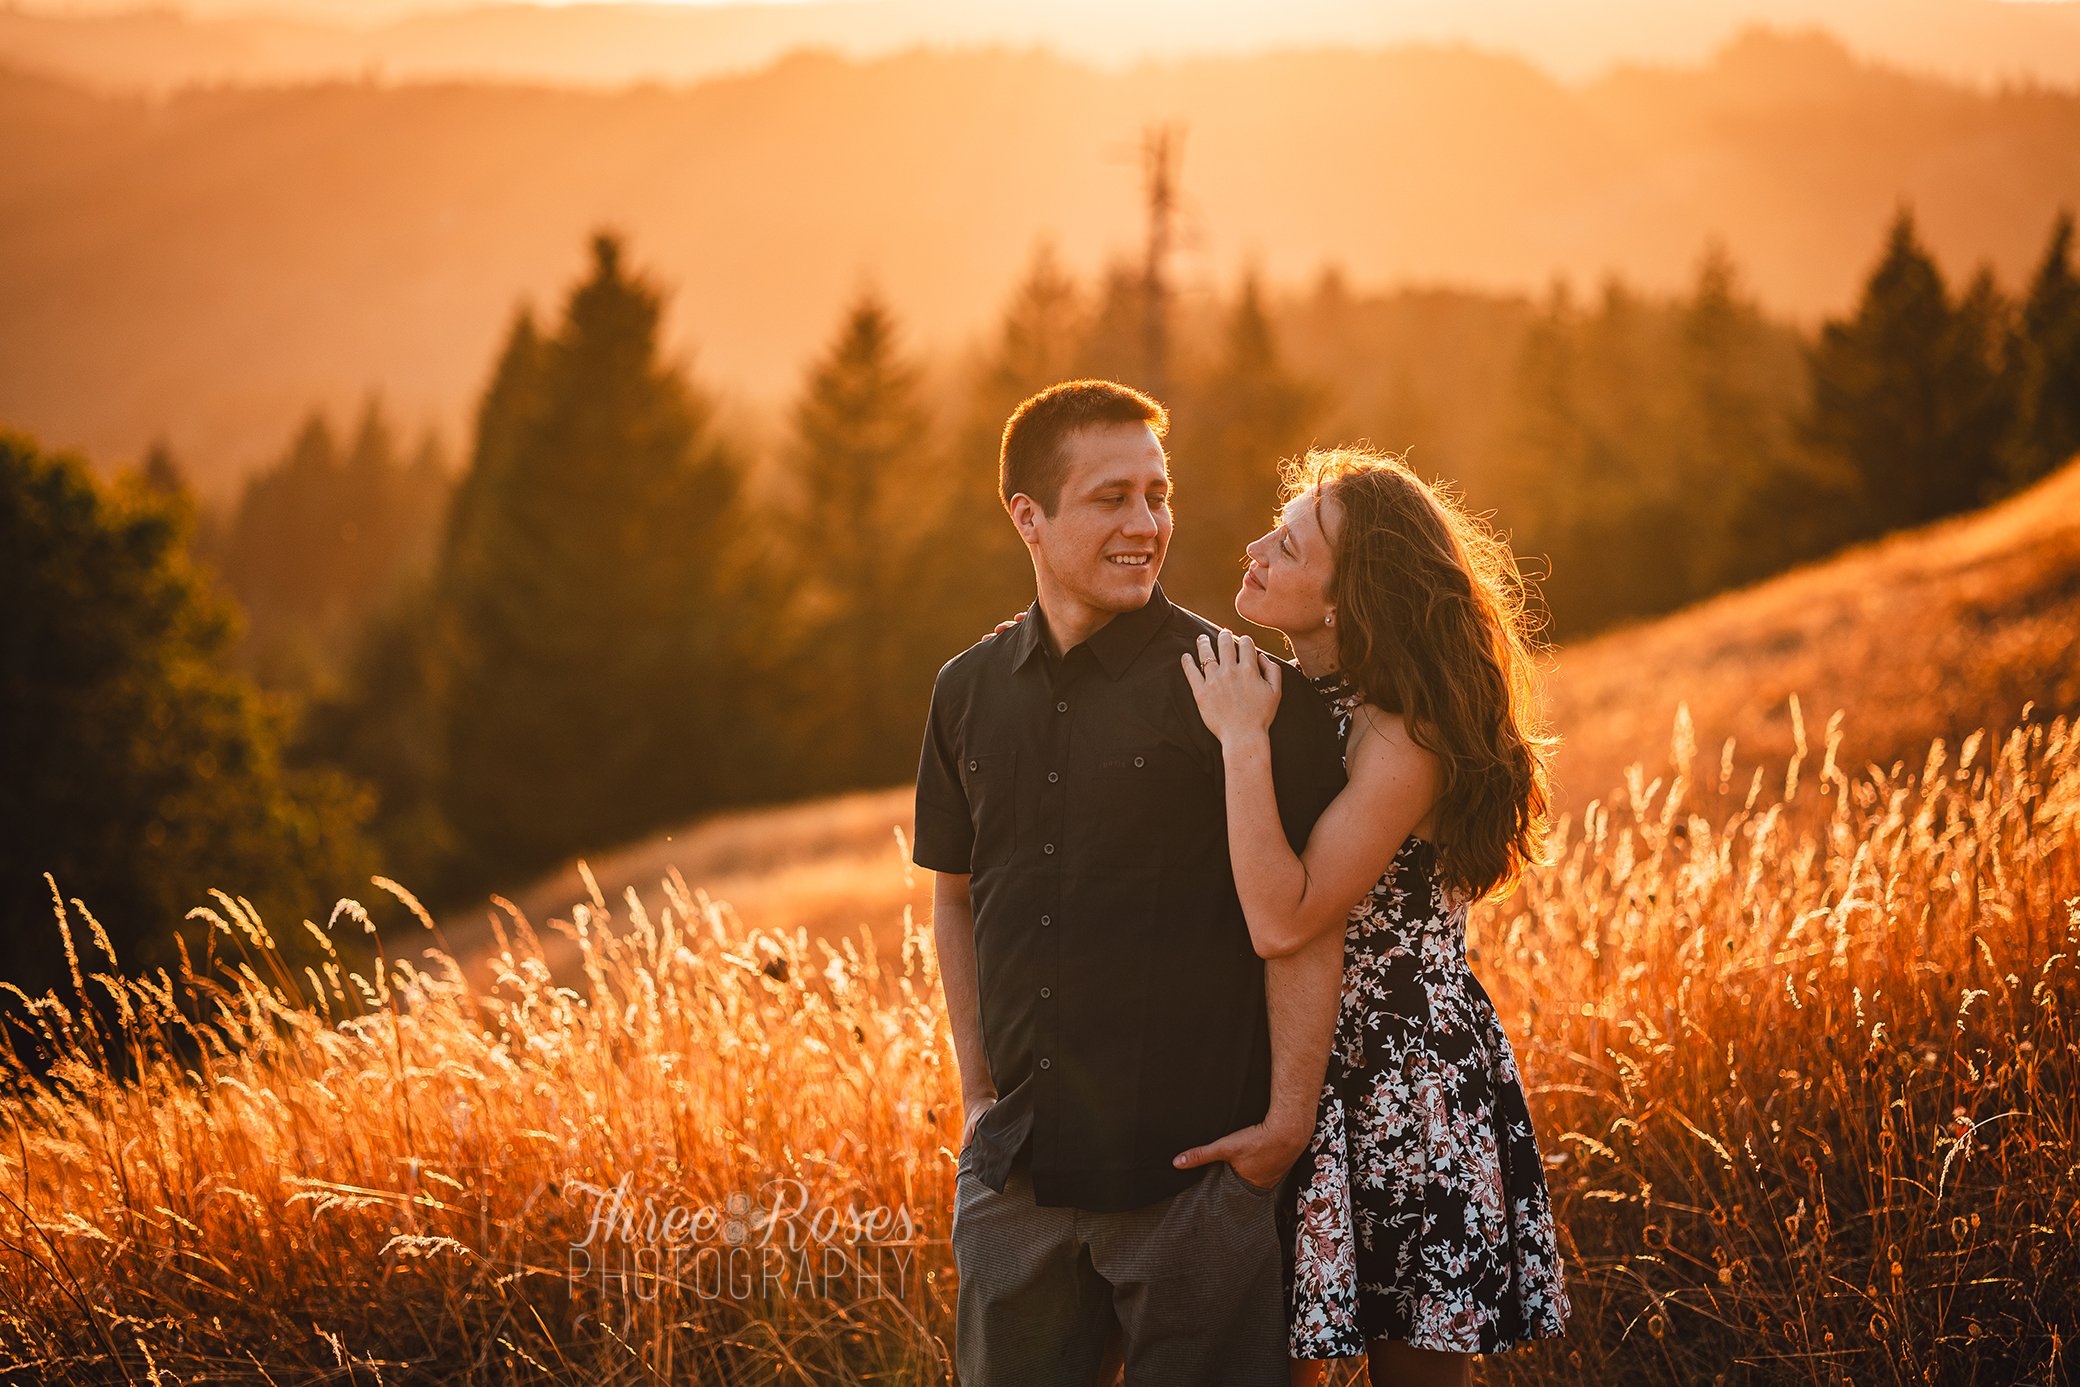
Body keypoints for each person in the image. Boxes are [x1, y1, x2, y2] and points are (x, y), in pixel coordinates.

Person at [913, 380, 1349, 1385]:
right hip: (1018, 1183)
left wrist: (1283, 1127)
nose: (1146, 524)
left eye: (1157, 494)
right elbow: (953, 895)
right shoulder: (965, 692)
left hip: (1195, 1185)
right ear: (1028, 515)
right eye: (1112, 497)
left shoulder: (1242, 689)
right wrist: (979, 1095)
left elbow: (1307, 919)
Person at [1171, 447, 1569, 1385]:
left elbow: (1284, 917)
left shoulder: (1403, 733)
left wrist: (1239, 743)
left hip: (1404, 1079)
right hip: (1289, 1059)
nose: (1254, 547)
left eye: (1289, 543)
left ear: (1346, 600)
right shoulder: (1304, 699)